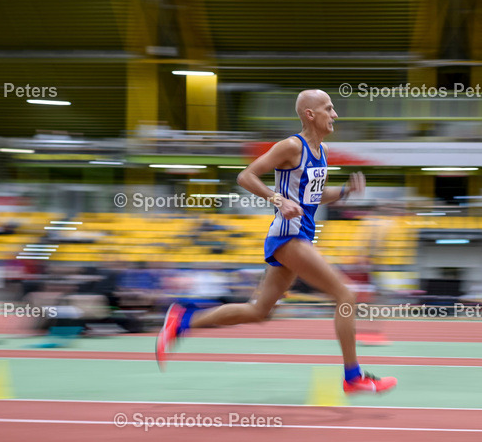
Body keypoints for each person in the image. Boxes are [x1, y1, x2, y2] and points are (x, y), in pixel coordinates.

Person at [156, 89, 396, 395]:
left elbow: (314, 196)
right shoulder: (291, 146)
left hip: (299, 236)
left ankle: (182, 321)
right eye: (329, 108)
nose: (335, 115)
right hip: (289, 235)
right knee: (346, 296)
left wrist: (345, 192)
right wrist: (276, 198)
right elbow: (245, 176)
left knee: (258, 311)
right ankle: (353, 377)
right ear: (310, 114)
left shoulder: (320, 152)